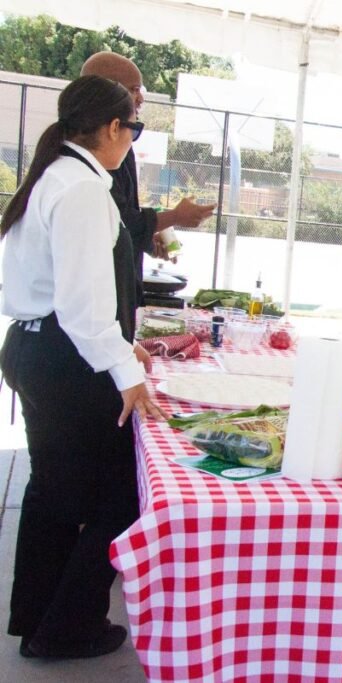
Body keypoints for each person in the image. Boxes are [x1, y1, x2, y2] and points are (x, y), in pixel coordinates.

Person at [0, 75, 167, 659]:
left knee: (54, 494)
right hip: (63, 359)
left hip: (40, 348)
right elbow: (80, 305)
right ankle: (68, 626)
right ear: (113, 128)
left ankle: (38, 619)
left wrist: (123, 345)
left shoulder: (58, 175)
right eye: (134, 129)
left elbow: (74, 299)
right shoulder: (81, 189)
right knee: (115, 497)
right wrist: (125, 370)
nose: (132, 141)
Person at [80, 52, 215, 304]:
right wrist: (174, 216)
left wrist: (148, 236)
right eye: (134, 90)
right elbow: (120, 222)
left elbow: (122, 220)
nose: (141, 99)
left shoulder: (107, 154)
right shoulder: (80, 176)